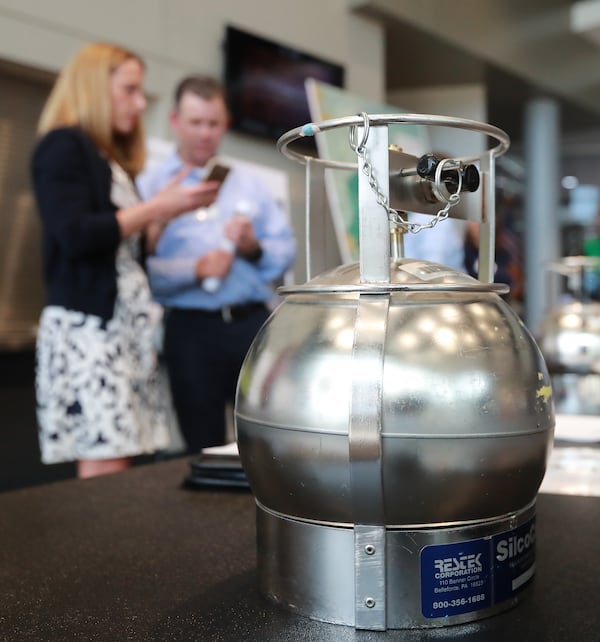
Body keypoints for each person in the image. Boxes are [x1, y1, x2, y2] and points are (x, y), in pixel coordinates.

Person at [31, 43, 221, 479]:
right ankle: (100, 548)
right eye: (130, 89)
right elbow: (76, 235)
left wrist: (165, 214)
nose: (140, 103)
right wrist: (156, 207)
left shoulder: (108, 160)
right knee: (107, 459)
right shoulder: (62, 145)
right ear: (95, 87)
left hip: (122, 329)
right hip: (89, 331)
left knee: (124, 454)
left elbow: (124, 248)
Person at [137, 75, 296, 454]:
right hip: (190, 331)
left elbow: (284, 251)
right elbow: (139, 268)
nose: (205, 134)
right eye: (196, 123)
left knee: (267, 436)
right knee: (202, 444)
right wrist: (194, 269)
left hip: (249, 324)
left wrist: (250, 247)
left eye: (213, 123)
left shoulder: (250, 184)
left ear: (225, 123)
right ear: (175, 121)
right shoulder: (152, 187)